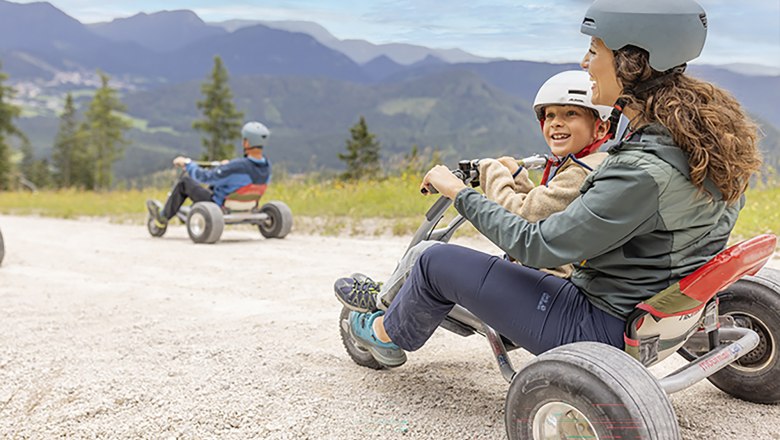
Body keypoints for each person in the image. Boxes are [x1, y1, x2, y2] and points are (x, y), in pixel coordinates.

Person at [342, 0, 762, 368]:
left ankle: (382, 332)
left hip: (598, 324)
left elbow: (536, 244)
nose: (585, 62)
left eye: (594, 50)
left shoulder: (641, 172)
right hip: (650, 309)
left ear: (631, 61)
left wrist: (460, 193)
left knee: (435, 260)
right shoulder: (706, 142)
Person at [333, 70, 613, 316]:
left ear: (600, 126)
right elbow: (547, 210)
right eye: (550, 115)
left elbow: (522, 217)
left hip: (544, 285)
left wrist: (491, 170)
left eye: (570, 114)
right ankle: (392, 318)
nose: (556, 123)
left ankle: (382, 304)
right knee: (448, 261)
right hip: (553, 277)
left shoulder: (580, 172)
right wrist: (517, 178)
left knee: (427, 253)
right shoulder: (592, 166)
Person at [146, 121, 272, 228]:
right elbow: (239, 176)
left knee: (185, 182)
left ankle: (162, 218)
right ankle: (189, 209)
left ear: (246, 143)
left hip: (219, 204)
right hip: (248, 204)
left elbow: (204, 177)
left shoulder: (237, 166)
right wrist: (225, 166)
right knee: (214, 186)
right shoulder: (266, 166)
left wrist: (188, 163)